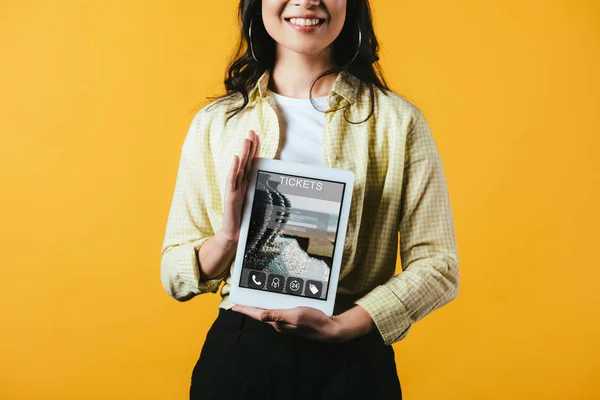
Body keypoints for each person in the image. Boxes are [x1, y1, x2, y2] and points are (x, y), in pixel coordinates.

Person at [160, 0, 460, 398]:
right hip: (242, 355)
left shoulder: (398, 122)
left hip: (351, 358)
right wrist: (229, 235)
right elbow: (174, 273)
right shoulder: (217, 123)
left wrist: (344, 326)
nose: (306, 1)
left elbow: (439, 266)